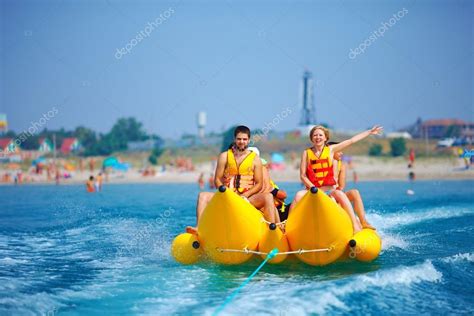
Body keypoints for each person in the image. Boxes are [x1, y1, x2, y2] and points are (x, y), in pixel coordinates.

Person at [290, 125, 383, 233]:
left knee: (340, 194)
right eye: (315, 135)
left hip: (328, 190)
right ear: (311, 138)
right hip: (313, 191)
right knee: (298, 195)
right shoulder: (306, 153)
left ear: (325, 138)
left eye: (320, 135)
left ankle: (355, 226)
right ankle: (290, 226)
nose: (318, 137)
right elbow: (303, 175)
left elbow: (351, 141)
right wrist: (313, 188)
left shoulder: (331, 149)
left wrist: (369, 132)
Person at [186, 126, 277, 234]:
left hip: (247, 198)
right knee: (203, 196)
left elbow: (259, 183)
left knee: (268, 197)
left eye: (244, 139)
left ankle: (272, 231)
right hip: (228, 196)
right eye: (239, 139)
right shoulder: (224, 156)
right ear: (235, 139)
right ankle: (199, 228)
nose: (241, 142)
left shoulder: (255, 159)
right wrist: (225, 193)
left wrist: (246, 195)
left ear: (248, 140)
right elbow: (217, 180)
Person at [330, 144, 375, 230]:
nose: (341, 153)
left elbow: (341, 186)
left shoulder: (342, 165)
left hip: (336, 196)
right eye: (338, 150)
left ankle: (363, 222)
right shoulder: (321, 163)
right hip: (323, 197)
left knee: (354, 192)